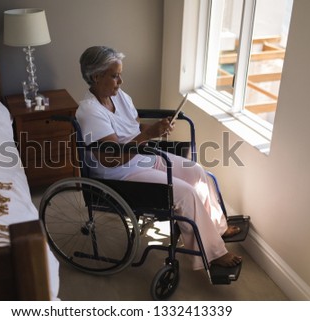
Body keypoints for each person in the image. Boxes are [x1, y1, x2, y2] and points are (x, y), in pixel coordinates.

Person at [75, 45, 242, 270]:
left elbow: (132, 126)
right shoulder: (89, 111)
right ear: (96, 77)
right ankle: (211, 253)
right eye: (115, 76)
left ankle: (217, 228)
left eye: (120, 74)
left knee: (197, 172)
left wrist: (155, 129)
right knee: (185, 193)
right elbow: (111, 158)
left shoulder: (120, 96)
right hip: (120, 174)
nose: (120, 81)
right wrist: (147, 135)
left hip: (143, 156)